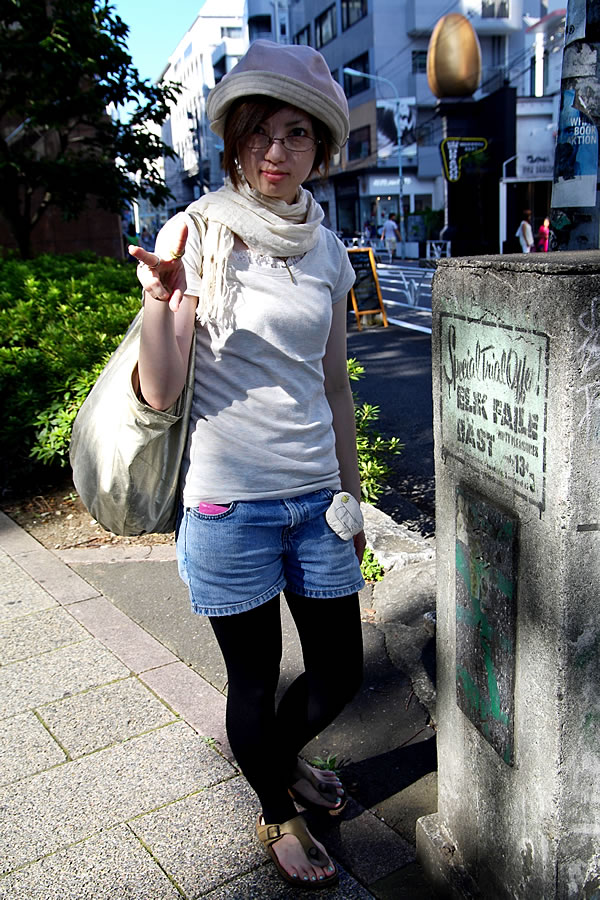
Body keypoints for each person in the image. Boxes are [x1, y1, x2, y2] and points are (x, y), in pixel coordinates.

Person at [129, 40, 365, 891]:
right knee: (254, 682)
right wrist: (162, 302)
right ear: (234, 141)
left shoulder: (327, 249)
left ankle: (276, 764)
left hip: (315, 499)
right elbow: (159, 392)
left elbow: (333, 384)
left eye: (297, 134)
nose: (277, 152)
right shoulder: (195, 232)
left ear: (320, 149)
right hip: (231, 504)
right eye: (261, 132)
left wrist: (353, 493)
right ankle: (278, 808)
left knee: (342, 673)